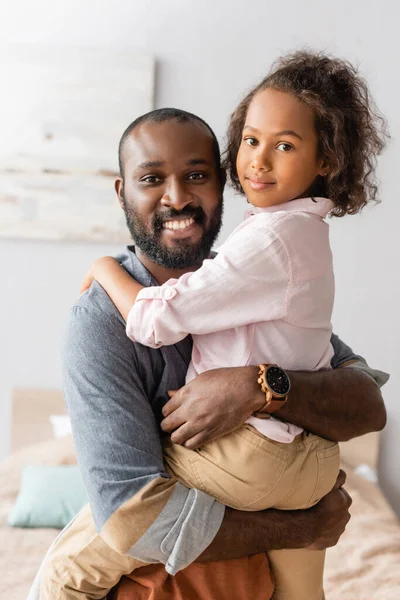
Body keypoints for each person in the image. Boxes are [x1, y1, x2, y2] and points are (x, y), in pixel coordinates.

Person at [35, 97, 387, 599]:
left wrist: (258, 386)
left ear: (222, 183)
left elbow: (366, 404)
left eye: (196, 175)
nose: (177, 198)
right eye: (152, 179)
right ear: (122, 193)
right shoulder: (98, 322)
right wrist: (300, 528)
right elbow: (131, 516)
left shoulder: (248, 277)